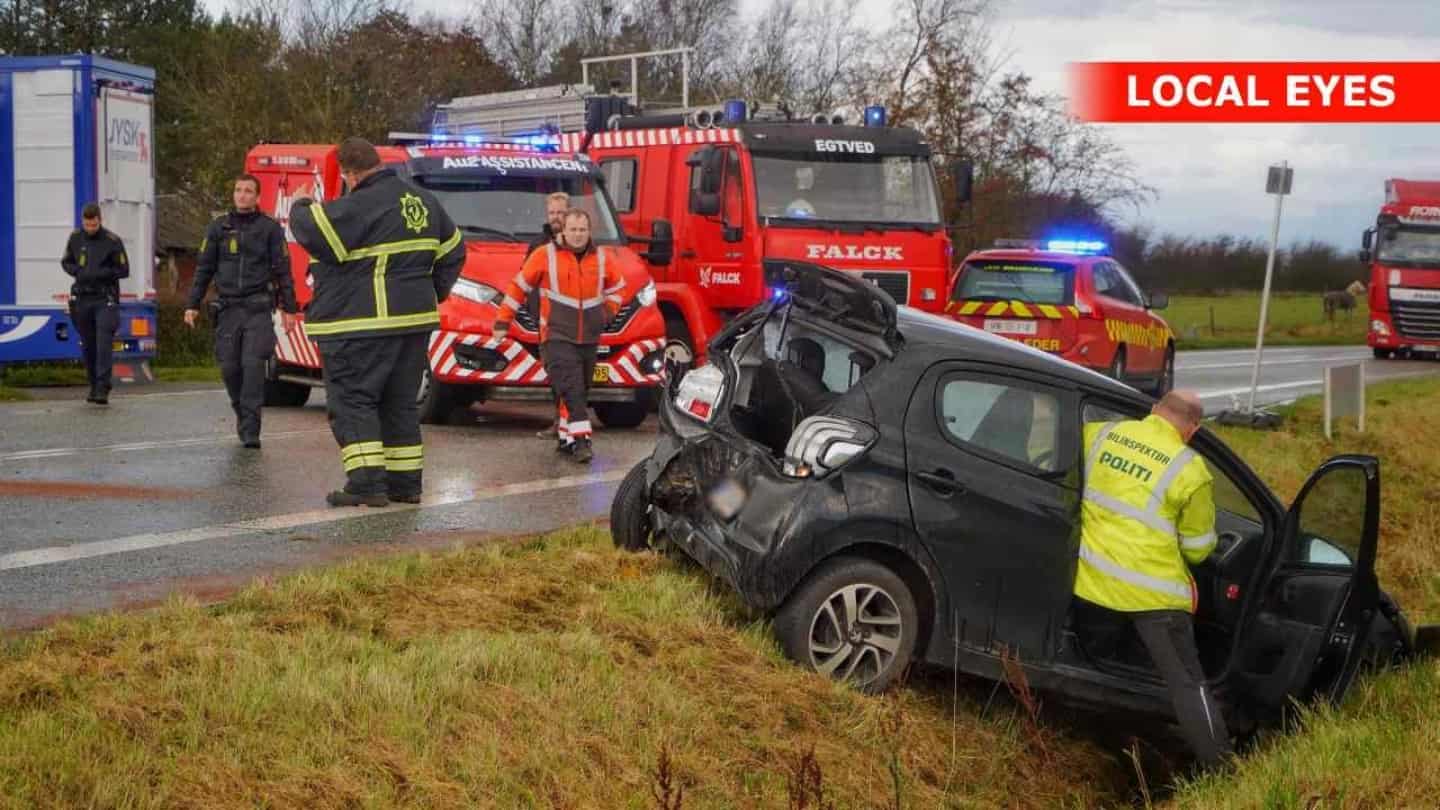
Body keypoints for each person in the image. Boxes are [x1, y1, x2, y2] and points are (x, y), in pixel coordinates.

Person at [288, 137, 465, 507]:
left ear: (350, 174)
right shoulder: (423, 202)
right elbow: (454, 251)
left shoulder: (361, 204)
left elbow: (317, 233)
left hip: (359, 326)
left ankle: (367, 485)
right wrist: (431, 292)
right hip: (412, 324)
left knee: (354, 402)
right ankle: (405, 484)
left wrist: (300, 204)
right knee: (399, 404)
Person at [1072, 390, 1232, 768]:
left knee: (1092, 660)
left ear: (1155, 410)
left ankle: (1101, 738)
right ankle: (1223, 769)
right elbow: (1197, 549)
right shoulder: (1190, 469)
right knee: (1188, 685)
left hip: (1091, 583)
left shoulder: (1099, 434)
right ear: (1193, 429)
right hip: (1154, 597)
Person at [494, 208, 630, 463]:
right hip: (555, 335)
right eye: (573, 230)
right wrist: (503, 321)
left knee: (580, 388)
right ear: (563, 231)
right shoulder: (544, 255)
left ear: (589, 232)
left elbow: (619, 288)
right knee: (571, 386)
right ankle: (582, 440)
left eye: (582, 230)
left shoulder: (602, 258)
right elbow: (518, 287)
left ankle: (566, 437)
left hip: (589, 337)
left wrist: (608, 312)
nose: (578, 235)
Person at [184, 173, 300, 448]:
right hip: (228, 310)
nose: (243, 195)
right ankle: (242, 413)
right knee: (229, 368)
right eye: (238, 190)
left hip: (257, 309)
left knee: (252, 366)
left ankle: (251, 430)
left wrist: (290, 309)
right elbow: (203, 270)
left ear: (257, 197)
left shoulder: (269, 229)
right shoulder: (218, 228)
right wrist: (192, 304)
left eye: (248, 191)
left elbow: (283, 271)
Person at [61, 203, 130, 405]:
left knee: (103, 344)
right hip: (83, 298)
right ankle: (93, 385)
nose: (90, 228)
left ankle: (103, 387)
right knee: (88, 345)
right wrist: (79, 272)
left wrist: (101, 274)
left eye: (94, 224)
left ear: (100, 220)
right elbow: (66, 262)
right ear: (83, 221)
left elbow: (124, 269)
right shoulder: (75, 238)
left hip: (104, 299)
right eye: (87, 224)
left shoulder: (112, 241)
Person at [527, 191, 569, 440]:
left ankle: (570, 424)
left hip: (576, 322)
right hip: (547, 323)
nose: (556, 217)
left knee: (573, 375)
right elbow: (526, 284)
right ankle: (560, 422)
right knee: (556, 375)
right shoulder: (538, 246)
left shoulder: (580, 243)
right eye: (552, 212)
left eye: (561, 212)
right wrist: (536, 316)